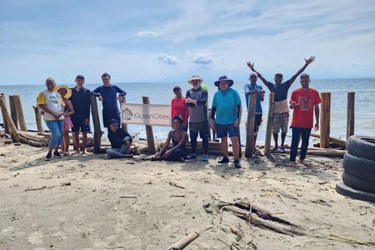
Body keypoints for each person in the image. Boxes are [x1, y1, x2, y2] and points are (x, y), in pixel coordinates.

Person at [247, 56, 315, 153]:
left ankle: (282, 145)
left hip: (285, 111)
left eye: (280, 77)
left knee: (284, 130)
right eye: (277, 77)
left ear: (282, 79)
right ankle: (276, 145)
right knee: (275, 131)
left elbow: (296, 75)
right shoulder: (271, 86)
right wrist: (253, 69)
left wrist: (306, 64)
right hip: (275, 111)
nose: (278, 79)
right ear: (274, 79)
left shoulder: (286, 85)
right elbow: (261, 77)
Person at [289, 74, 321, 166]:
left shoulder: (314, 92)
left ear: (309, 81)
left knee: (305, 142)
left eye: (306, 81)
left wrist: (317, 121)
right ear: (300, 82)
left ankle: (302, 158)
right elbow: (291, 106)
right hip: (296, 122)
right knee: (294, 142)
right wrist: (292, 105)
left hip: (308, 122)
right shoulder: (295, 92)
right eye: (302, 81)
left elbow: (317, 107)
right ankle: (292, 160)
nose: (304, 83)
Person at [210, 75, 242, 168]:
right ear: (219, 85)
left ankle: (236, 159)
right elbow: (213, 108)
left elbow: (239, 106)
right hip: (220, 121)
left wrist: (238, 119)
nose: (223, 84)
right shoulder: (216, 94)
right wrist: (212, 120)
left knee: (234, 139)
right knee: (223, 139)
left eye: (225, 83)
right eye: (221, 83)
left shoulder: (234, 92)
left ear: (228, 84)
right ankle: (225, 157)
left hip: (232, 121)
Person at [37, 77, 65, 161]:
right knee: (56, 134)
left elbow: (63, 105)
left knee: (60, 135)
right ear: (46, 85)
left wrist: (60, 113)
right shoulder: (43, 94)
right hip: (50, 118)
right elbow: (41, 105)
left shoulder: (58, 94)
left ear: (55, 84)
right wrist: (53, 114)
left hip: (60, 118)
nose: (50, 85)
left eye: (51, 83)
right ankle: (49, 152)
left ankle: (56, 151)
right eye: (48, 83)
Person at [185, 75, 210, 162]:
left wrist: (192, 101)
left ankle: (206, 154)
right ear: (191, 83)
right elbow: (187, 104)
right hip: (192, 120)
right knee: (193, 139)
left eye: (196, 81)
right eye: (193, 81)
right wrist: (195, 102)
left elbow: (203, 102)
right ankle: (193, 153)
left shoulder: (204, 91)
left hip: (203, 119)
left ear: (199, 82)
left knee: (205, 138)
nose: (195, 82)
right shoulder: (189, 91)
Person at [70, 75, 91, 154]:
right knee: (75, 132)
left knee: (84, 132)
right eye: (78, 80)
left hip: (83, 115)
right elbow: (67, 102)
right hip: (74, 115)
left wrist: (87, 117)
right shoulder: (71, 91)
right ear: (75, 80)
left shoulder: (87, 91)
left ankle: (84, 149)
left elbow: (88, 105)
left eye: (81, 80)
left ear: (83, 82)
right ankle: (78, 149)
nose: (80, 82)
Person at [244, 73, 265, 148]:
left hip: (259, 111)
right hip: (251, 111)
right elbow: (247, 92)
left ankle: (253, 145)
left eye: (254, 78)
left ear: (256, 79)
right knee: (250, 128)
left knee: (256, 129)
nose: (253, 79)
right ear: (249, 79)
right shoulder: (247, 86)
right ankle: (249, 145)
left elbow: (262, 99)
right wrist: (256, 91)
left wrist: (258, 92)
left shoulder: (259, 87)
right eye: (251, 77)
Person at [56, 86, 74, 156]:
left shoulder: (67, 101)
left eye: (64, 91)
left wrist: (66, 114)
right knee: (60, 134)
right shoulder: (55, 100)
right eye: (60, 91)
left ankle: (66, 150)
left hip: (65, 118)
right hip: (57, 118)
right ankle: (62, 149)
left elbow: (72, 111)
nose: (62, 92)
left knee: (65, 134)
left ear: (66, 93)